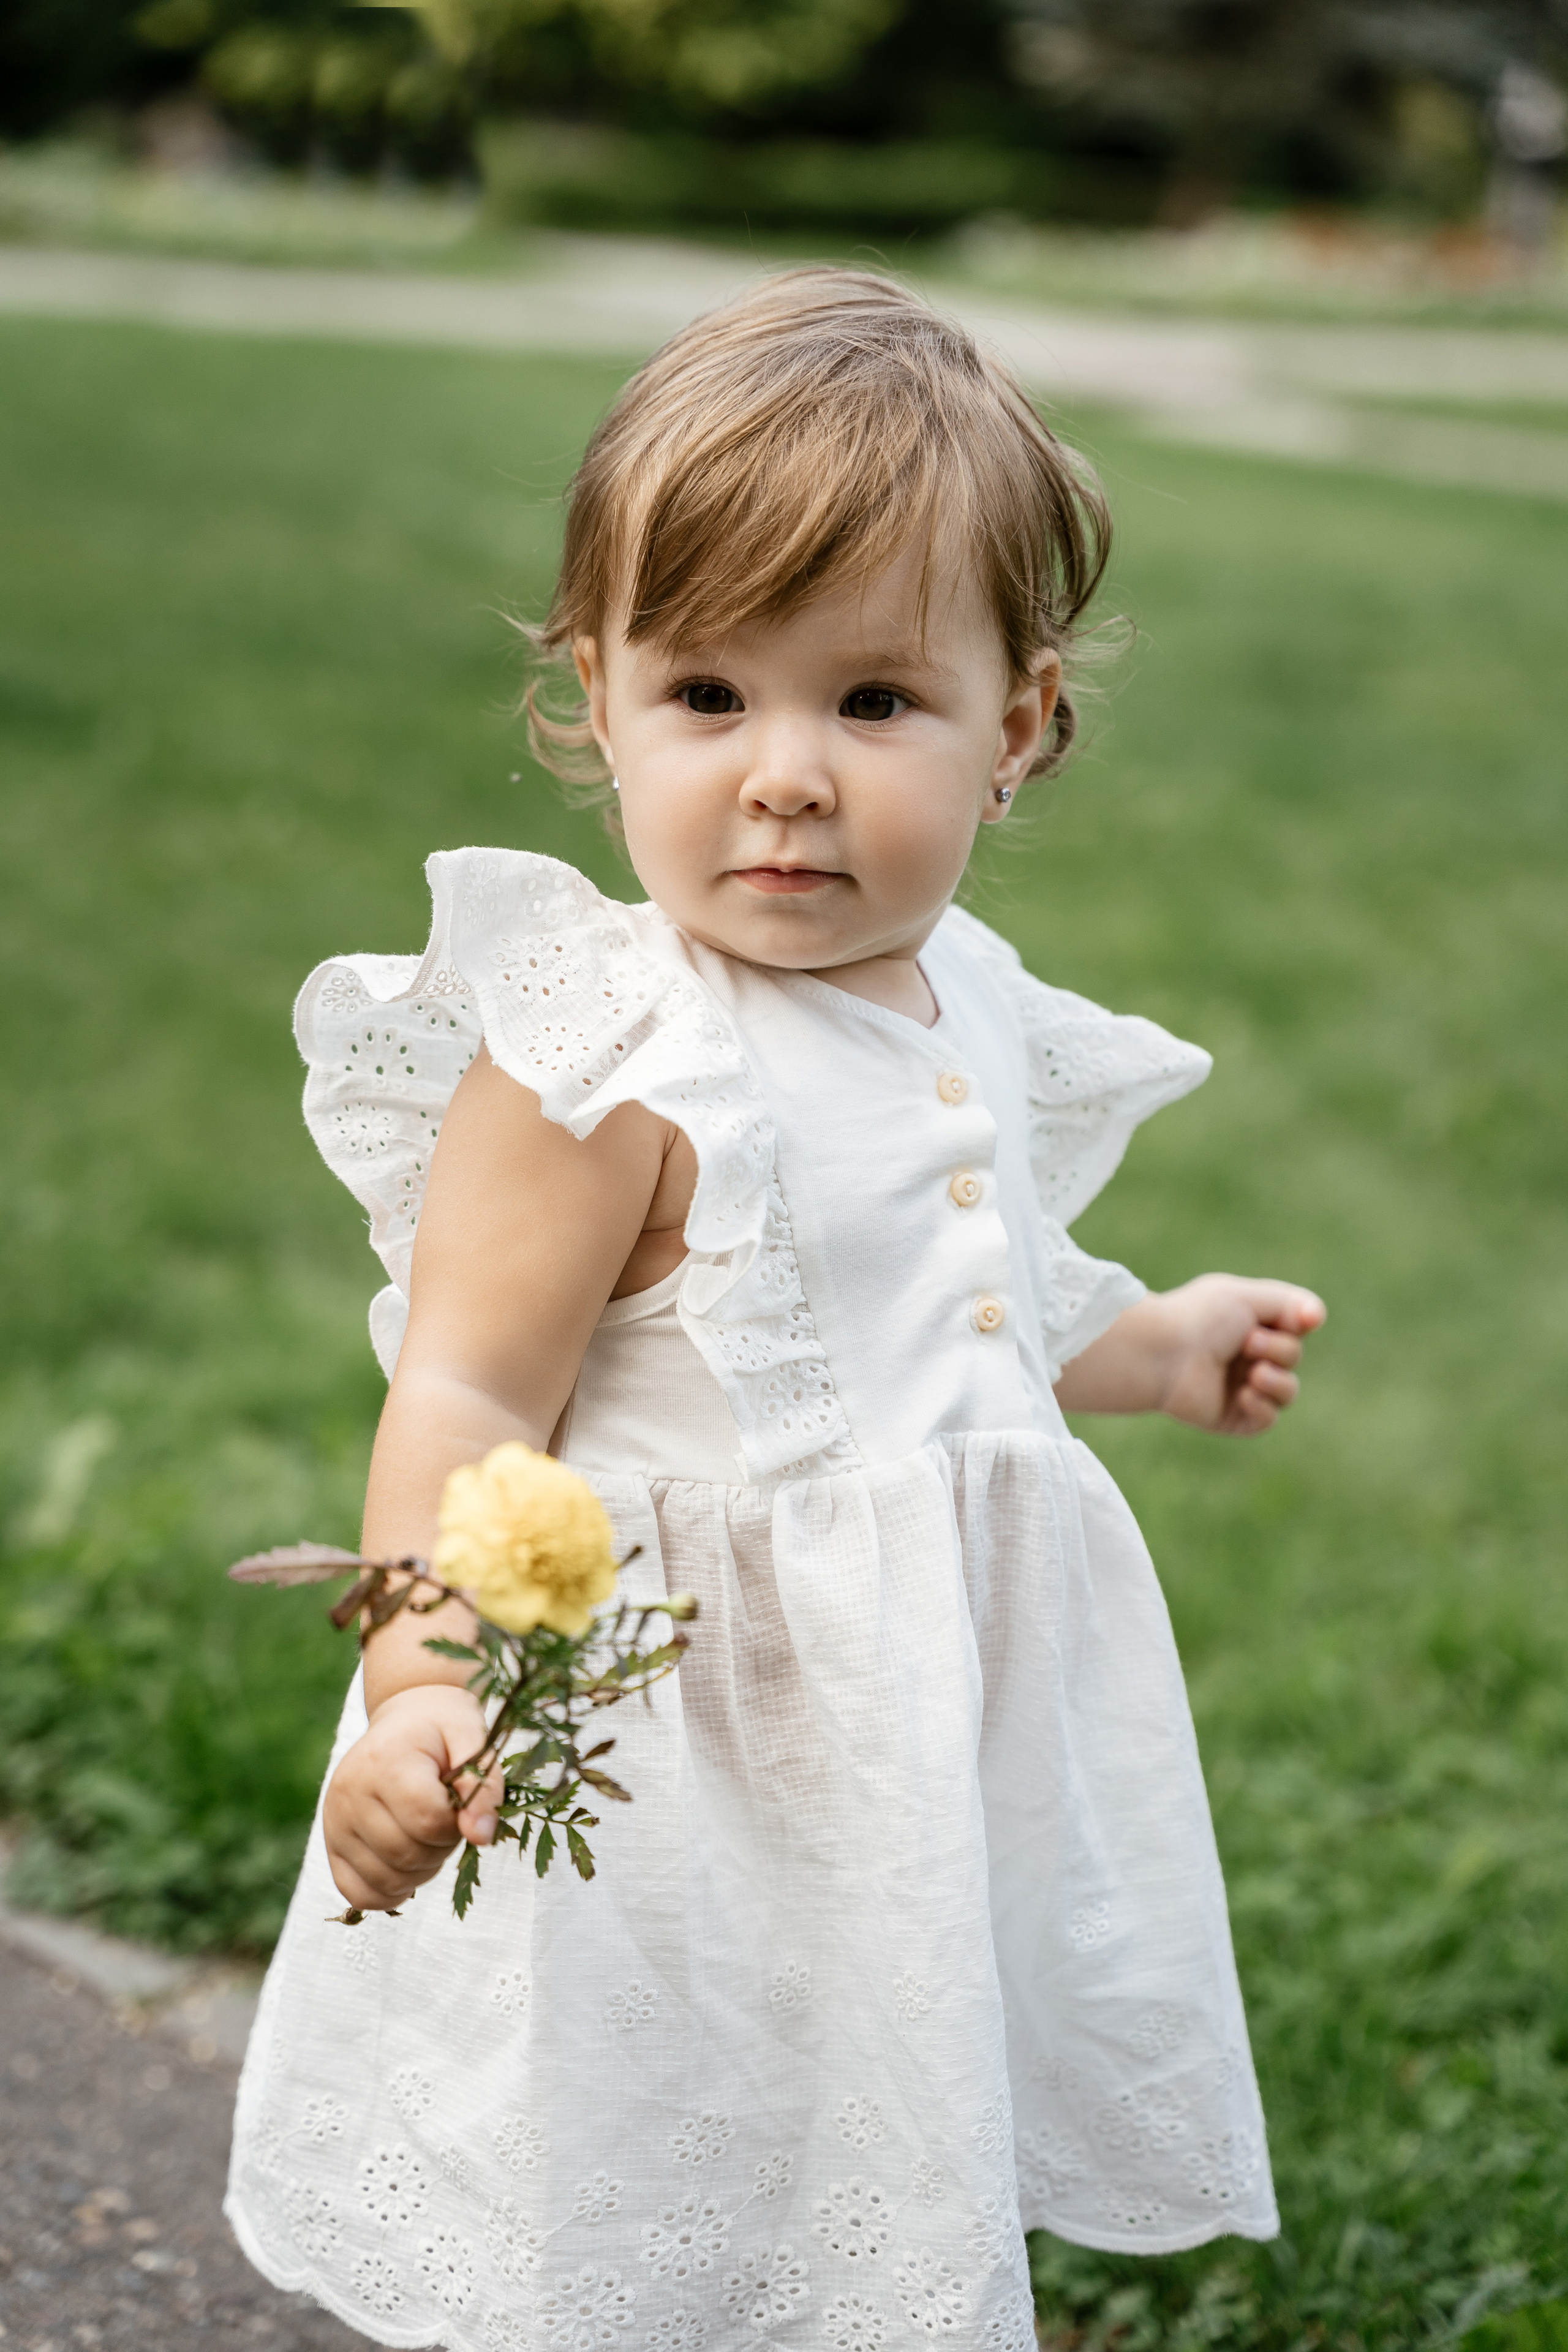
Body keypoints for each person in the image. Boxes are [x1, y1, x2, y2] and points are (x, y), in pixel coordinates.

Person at [227, 268, 1324, 2350]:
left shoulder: (974, 1001)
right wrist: (422, 1692)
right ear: (599, 701)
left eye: (874, 702)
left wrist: (1161, 1346)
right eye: (710, 696)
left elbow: (974, 1311)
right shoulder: (602, 1058)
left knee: (856, 2131)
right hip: (668, 1742)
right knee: (646, 2134)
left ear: (1019, 729)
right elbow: (466, 1394)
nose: (787, 776)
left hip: (900, 1743)